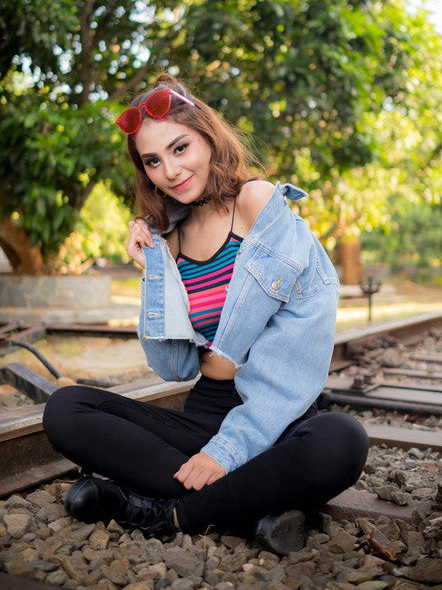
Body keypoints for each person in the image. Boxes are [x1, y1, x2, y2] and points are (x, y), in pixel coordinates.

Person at [43, 73, 369, 555]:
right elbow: (175, 367)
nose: (169, 171)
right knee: (66, 409)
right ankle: (248, 507)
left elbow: (301, 348)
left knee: (341, 439)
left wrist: (228, 451)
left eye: (180, 148)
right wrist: (153, 268)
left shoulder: (259, 205)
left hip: (275, 417)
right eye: (153, 161)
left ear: (209, 139)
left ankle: (164, 511)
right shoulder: (169, 240)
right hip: (204, 415)